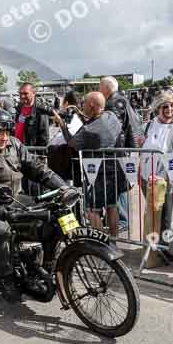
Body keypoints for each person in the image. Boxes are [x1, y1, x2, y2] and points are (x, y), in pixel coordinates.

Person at [0, 108, 72, 304]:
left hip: (12, 198)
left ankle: (44, 268)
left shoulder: (14, 144)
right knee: (2, 229)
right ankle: (6, 278)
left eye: (7, 132)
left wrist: (63, 187)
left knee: (53, 216)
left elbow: (37, 168)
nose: (4, 138)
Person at [55, 92, 128, 237]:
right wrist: (80, 114)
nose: (82, 106)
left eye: (84, 103)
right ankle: (113, 242)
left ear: (92, 105)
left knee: (91, 211)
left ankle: (101, 245)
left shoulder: (89, 130)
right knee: (112, 207)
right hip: (115, 170)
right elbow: (94, 121)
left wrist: (62, 125)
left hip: (98, 175)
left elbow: (73, 143)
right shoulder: (110, 116)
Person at [139, 91, 173, 265]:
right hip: (151, 177)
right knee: (159, 213)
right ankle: (159, 245)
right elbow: (144, 146)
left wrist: (165, 176)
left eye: (172, 105)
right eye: (165, 106)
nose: (169, 109)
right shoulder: (150, 124)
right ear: (157, 108)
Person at [99, 76, 144, 233]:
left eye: (100, 87)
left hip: (119, 151)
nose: (99, 90)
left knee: (119, 184)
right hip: (126, 149)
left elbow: (114, 129)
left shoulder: (112, 103)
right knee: (121, 183)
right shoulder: (122, 99)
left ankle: (122, 219)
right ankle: (120, 217)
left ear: (106, 88)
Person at [14, 83, 53, 148]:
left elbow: (44, 136)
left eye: (25, 93)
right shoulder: (19, 107)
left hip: (31, 150)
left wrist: (38, 154)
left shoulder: (40, 109)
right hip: (17, 148)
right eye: (20, 93)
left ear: (33, 93)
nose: (22, 96)